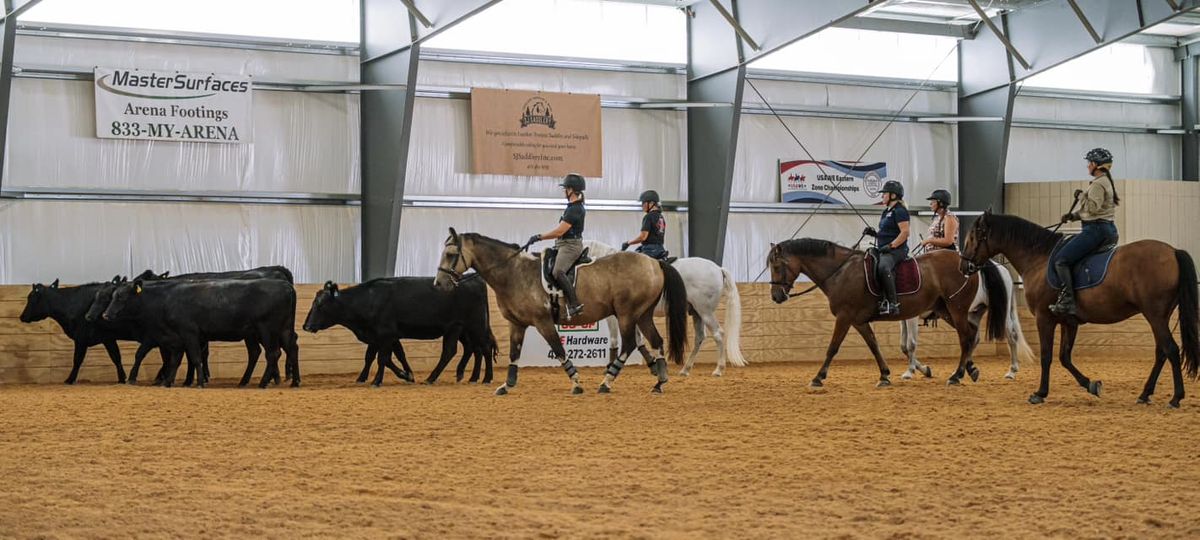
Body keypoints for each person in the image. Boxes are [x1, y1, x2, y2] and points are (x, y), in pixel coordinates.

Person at [1049, 148, 1120, 316]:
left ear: (1096, 164)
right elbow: (1093, 211)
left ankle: (1067, 301)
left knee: (1061, 260)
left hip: (1095, 230)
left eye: (1089, 163)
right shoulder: (1105, 181)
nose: (1088, 166)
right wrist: (1072, 216)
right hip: (1106, 228)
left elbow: (1093, 208)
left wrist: (1081, 196)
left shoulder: (1098, 184)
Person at [528, 173, 588, 320]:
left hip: (570, 246)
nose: (564, 192)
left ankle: (574, 305)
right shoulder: (572, 207)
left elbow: (560, 231)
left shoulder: (575, 209)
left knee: (557, 271)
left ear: (571, 190)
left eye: (565, 189)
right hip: (563, 244)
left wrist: (539, 237)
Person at [863, 180, 910, 316]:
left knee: (884, 267)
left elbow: (905, 232)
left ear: (893, 195)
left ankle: (893, 303)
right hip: (884, 249)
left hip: (898, 250)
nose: (882, 196)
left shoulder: (900, 211)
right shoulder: (886, 212)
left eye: (884, 194)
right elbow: (887, 233)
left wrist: (891, 246)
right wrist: (874, 234)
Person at [622, 190, 668, 260]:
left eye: (644, 203)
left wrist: (628, 243)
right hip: (660, 249)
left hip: (650, 250)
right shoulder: (661, 217)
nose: (642, 205)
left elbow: (643, 237)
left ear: (651, 203)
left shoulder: (648, 216)